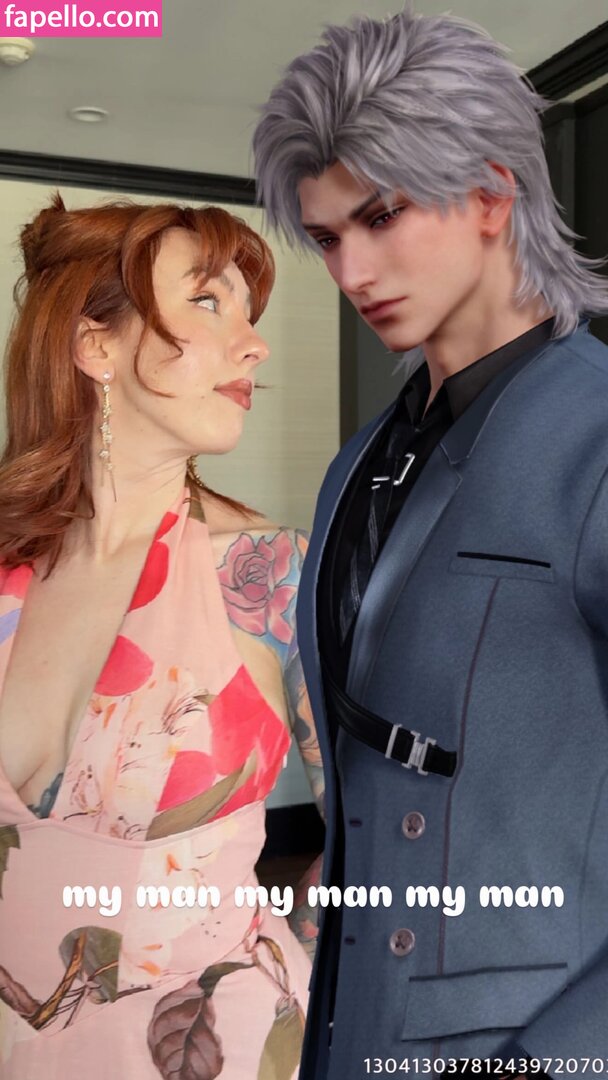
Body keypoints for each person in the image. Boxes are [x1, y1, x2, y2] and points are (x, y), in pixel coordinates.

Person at [253, 7, 608, 1079]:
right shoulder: (357, 463)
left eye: (382, 216)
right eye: (326, 237)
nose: (351, 270)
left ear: (492, 195)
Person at [0, 195, 324, 1079]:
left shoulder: (266, 572)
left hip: (215, 1050)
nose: (254, 346)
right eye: (208, 301)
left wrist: (285, 999)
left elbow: (371, 843)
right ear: (95, 345)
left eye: (251, 314)